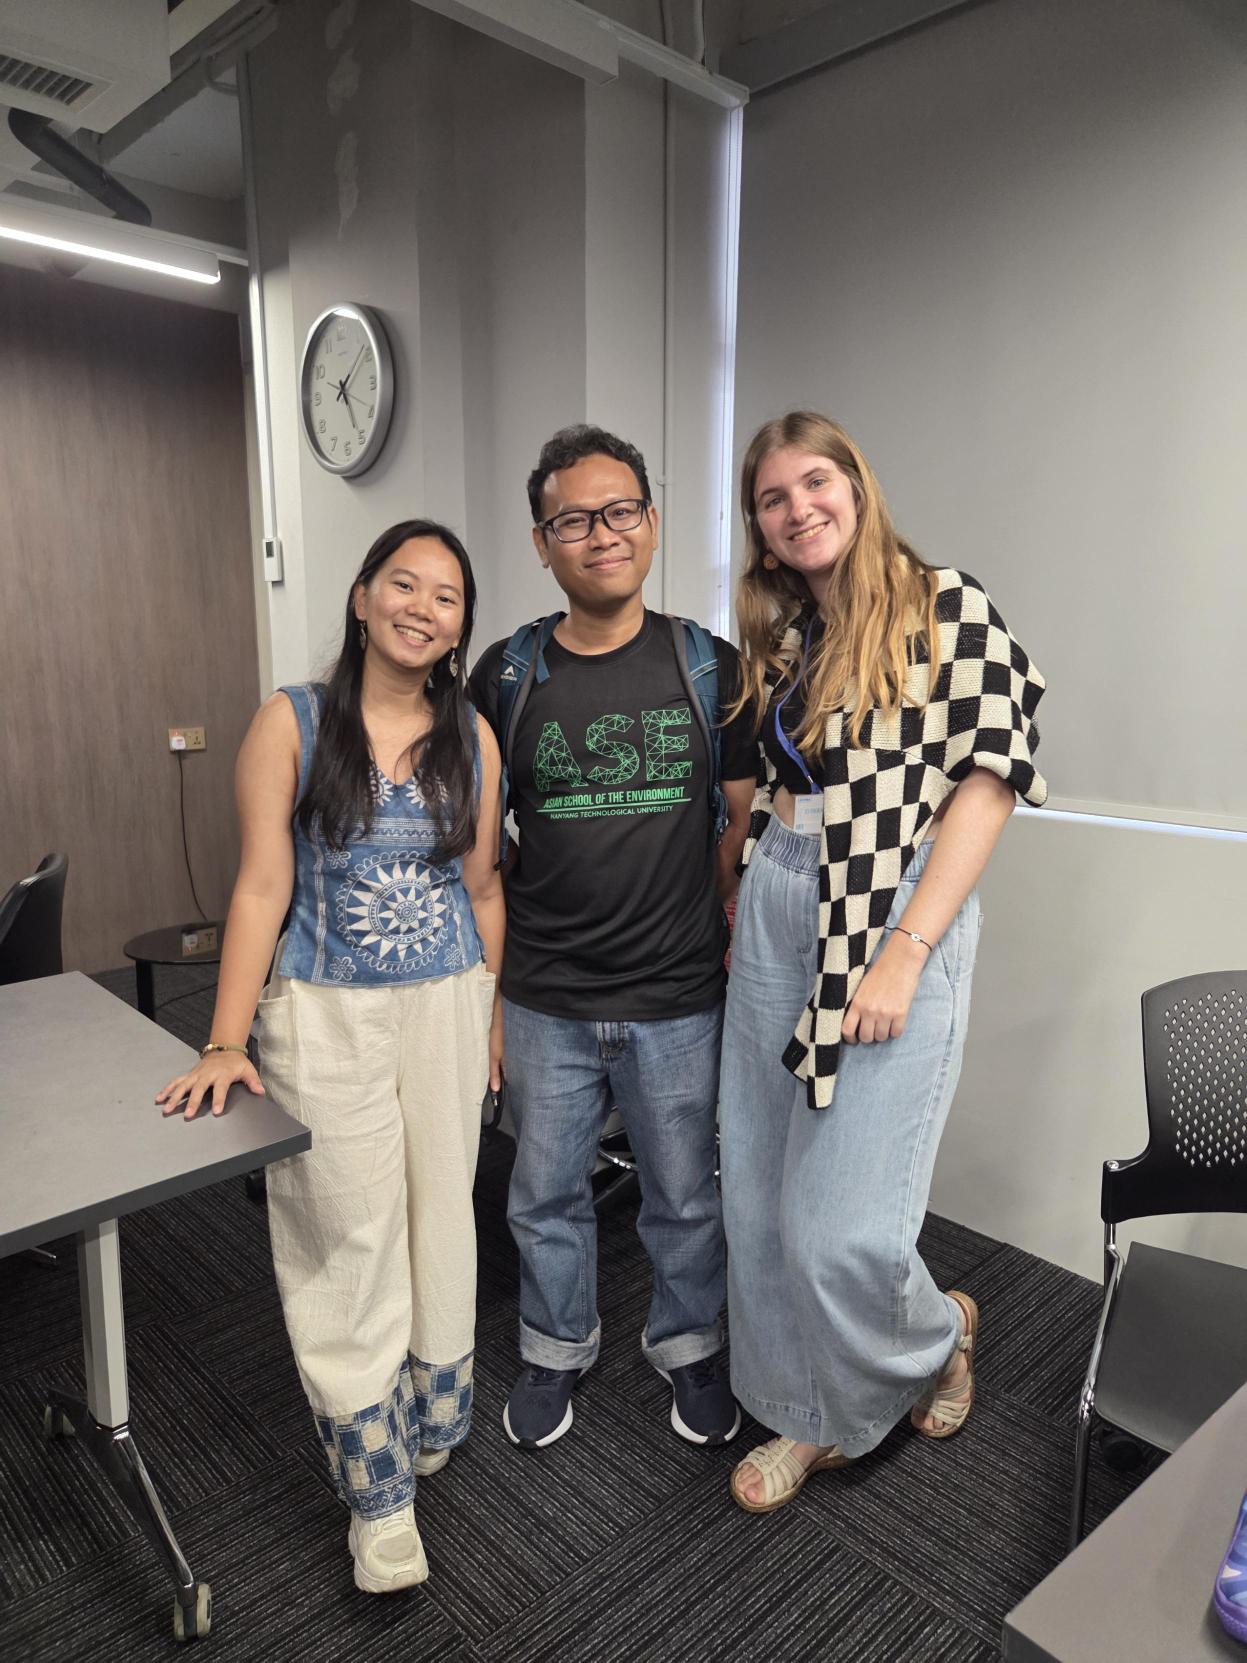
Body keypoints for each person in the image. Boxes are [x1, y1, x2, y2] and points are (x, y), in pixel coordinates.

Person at [156, 521, 504, 1591]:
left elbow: (482, 887)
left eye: (446, 595)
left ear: (460, 625)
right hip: (324, 1012)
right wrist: (225, 1036)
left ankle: (430, 1411)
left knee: (442, 1212)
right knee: (347, 1229)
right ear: (361, 597)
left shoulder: (472, 734)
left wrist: (491, 1013)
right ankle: (376, 1494)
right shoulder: (293, 720)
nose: (421, 607)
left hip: (446, 1005)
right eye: (403, 583)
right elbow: (261, 885)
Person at [719, 412, 1047, 1513]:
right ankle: (804, 1411)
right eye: (772, 497)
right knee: (758, 1196)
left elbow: (990, 781)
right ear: (759, 526)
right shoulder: (787, 635)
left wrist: (905, 951)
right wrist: (753, 892)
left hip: (889, 911)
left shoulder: (944, 606)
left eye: (815, 482)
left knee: (839, 1229)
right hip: (779, 900)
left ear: (856, 489)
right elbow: (786, 785)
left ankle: (936, 1334)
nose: (797, 508)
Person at [468, 424, 758, 1451]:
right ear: (541, 543)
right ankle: (554, 1345)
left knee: (683, 1194)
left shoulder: (707, 666)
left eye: (620, 510)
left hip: (676, 995)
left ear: (652, 521)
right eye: (573, 520)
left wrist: (705, 938)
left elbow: (735, 828)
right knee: (543, 1194)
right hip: (544, 994)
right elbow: (479, 852)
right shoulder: (505, 675)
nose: (601, 533)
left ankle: (689, 1344)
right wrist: (486, 998)